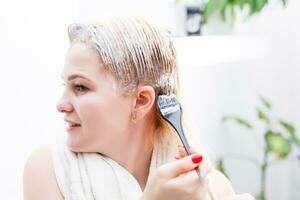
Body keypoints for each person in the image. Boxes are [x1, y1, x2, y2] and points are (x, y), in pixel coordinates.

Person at [23, 16, 254, 200]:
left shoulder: (208, 188)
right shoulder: (48, 170)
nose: (61, 105)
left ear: (141, 100)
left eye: (81, 87)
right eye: (66, 85)